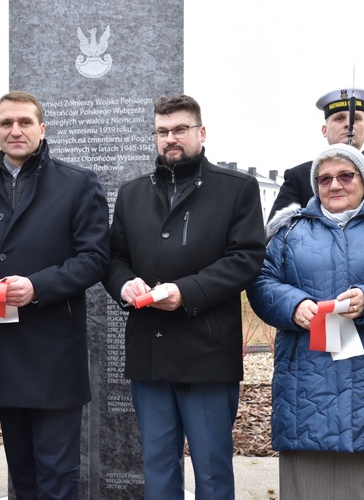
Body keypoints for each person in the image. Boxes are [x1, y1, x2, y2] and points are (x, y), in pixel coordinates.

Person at [248, 143, 364, 498]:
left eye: (345, 176)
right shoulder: (290, 232)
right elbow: (260, 282)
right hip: (304, 387)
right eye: (324, 179)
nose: (334, 185)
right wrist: (293, 304)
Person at [102, 94, 266, 499]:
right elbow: (113, 258)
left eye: (179, 129)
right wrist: (125, 285)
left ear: (201, 132)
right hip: (150, 351)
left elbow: (246, 258)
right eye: (162, 131)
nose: (170, 138)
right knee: (157, 469)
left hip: (207, 353)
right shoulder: (132, 193)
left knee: (211, 471)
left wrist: (185, 291)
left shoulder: (237, 188)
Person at [0, 90, 109, 499]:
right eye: (7, 123)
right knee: (22, 476)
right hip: (3, 348)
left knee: (57, 477)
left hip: (54, 353)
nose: (15, 130)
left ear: (42, 129)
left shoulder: (78, 183)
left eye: (24, 122)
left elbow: (93, 258)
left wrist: (37, 286)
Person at [268, 88, 364, 220]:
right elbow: (275, 235)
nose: (348, 125)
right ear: (324, 130)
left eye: (356, 118)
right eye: (339, 118)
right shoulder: (298, 177)